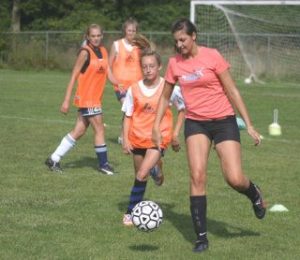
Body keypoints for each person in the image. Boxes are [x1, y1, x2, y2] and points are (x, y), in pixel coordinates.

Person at [152, 18, 266, 253]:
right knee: (197, 176)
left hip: (224, 121)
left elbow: (232, 90)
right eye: (176, 41)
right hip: (196, 124)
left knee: (234, 178)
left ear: (194, 36)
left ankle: (254, 193)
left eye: (183, 39)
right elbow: (164, 97)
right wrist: (155, 125)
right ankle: (201, 237)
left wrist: (250, 125)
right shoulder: (174, 63)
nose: (179, 45)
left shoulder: (212, 56)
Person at [121, 44, 185, 226]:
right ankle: (158, 171)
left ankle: (131, 212)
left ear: (159, 66)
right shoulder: (133, 88)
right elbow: (127, 116)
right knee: (140, 177)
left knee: (142, 174)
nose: (148, 70)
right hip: (137, 137)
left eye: (151, 66)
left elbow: (183, 109)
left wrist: (175, 134)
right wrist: (125, 139)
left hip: (158, 139)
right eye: (145, 66)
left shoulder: (169, 87)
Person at [45, 24, 116, 175]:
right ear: (88, 37)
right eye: (93, 36)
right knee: (99, 129)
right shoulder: (85, 52)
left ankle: (54, 158)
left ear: (102, 36)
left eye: (98, 35)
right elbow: (73, 76)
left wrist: (120, 84)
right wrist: (66, 100)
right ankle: (103, 164)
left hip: (95, 98)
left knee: (79, 130)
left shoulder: (103, 50)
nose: (96, 38)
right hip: (87, 98)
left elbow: (108, 71)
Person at [109, 18, 143, 144]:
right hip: (121, 86)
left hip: (136, 86)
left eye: (134, 31)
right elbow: (108, 65)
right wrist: (115, 82)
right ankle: (125, 137)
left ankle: (122, 135)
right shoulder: (117, 45)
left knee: (131, 110)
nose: (131, 33)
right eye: (129, 30)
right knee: (129, 107)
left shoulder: (140, 46)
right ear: (125, 31)